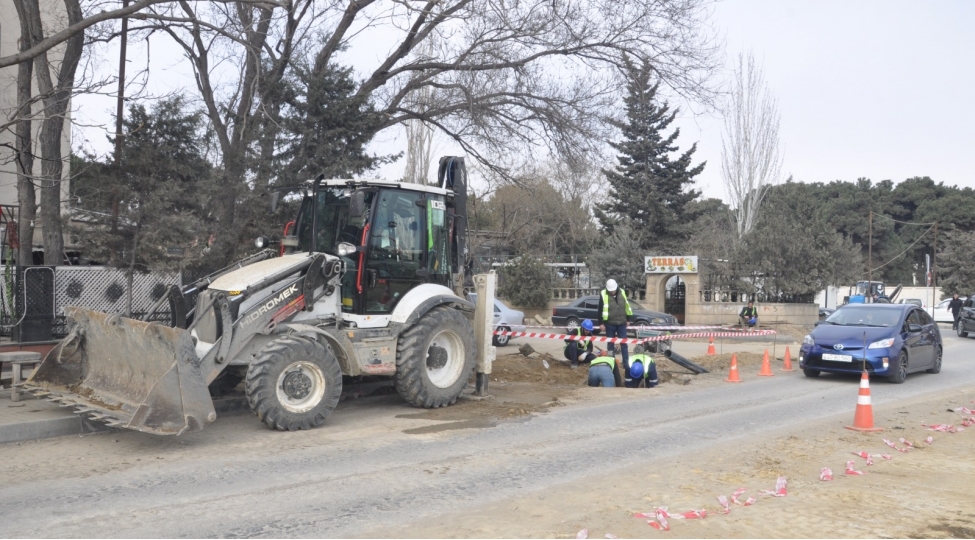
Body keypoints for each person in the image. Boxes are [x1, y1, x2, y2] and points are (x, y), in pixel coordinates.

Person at [598, 279, 633, 371]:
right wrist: (601, 323)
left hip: (622, 323)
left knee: (624, 344)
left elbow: (627, 306)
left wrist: (628, 319)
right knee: (610, 344)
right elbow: (600, 310)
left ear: (616, 287)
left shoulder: (622, 292)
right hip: (610, 324)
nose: (612, 292)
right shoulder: (603, 294)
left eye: (613, 290)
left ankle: (626, 364)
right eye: (610, 291)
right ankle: (611, 363)